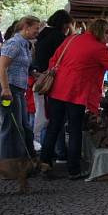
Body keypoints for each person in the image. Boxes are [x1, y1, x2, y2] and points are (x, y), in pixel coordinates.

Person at [40, 19, 108, 179]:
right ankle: (74, 170)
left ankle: (44, 164)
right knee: (74, 130)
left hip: (57, 89)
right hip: (76, 93)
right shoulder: (98, 48)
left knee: (54, 127)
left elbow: (53, 60)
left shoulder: (72, 38)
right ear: (101, 32)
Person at [0, 16, 41, 158]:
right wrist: (5, 89)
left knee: (23, 126)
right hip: (8, 89)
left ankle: (26, 159)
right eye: (36, 28)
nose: (37, 31)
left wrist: (36, 74)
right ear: (26, 28)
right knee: (12, 127)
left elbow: (22, 66)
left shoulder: (25, 44)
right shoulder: (14, 43)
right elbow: (1, 66)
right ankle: (9, 163)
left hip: (17, 90)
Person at [33, 10, 74, 159]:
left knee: (48, 117)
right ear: (65, 24)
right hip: (54, 81)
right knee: (57, 120)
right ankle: (59, 152)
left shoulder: (44, 34)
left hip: (43, 79)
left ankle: (47, 151)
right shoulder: (58, 37)